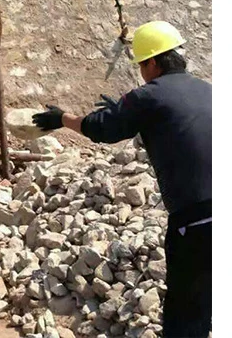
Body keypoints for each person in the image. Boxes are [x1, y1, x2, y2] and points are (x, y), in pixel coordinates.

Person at [32, 21, 211, 338]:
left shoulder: (149, 95)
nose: (141, 72)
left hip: (197, 221)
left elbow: (102, 128)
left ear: (153, 62)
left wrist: (61, 118)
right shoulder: (207, 90)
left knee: (186, 315)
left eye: (141, 65)